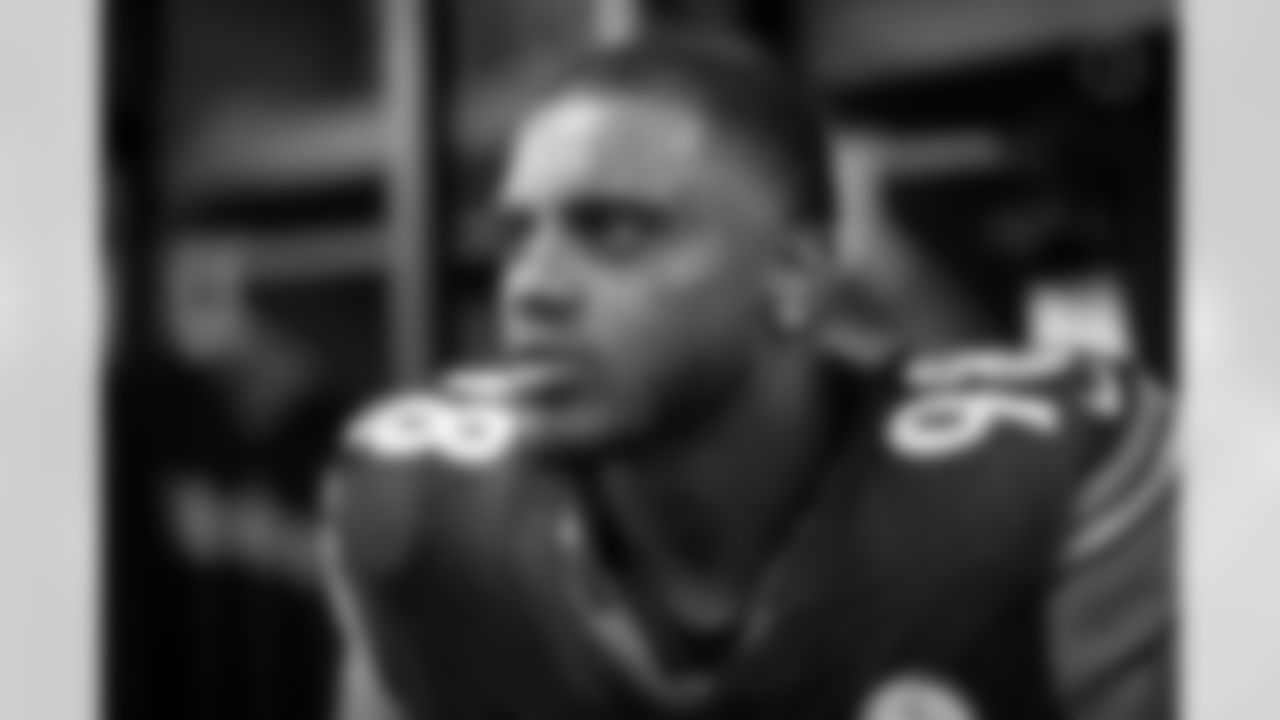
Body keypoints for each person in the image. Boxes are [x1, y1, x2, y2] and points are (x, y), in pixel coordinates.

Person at [323, 36, 1175, 720]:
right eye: (514, 237)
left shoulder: (1040, 486)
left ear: (797, 276)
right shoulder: (426, 515)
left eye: (614, 230)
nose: (530, 288)